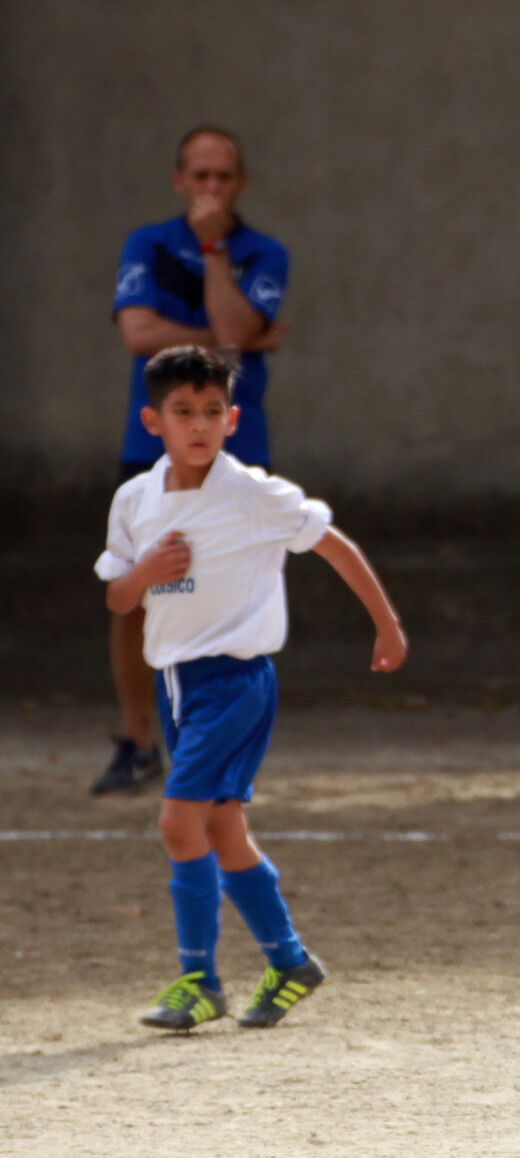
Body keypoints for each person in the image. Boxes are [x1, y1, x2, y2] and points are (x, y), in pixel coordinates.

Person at [95, 346, 404, 1031]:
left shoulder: (253, 494)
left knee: (178, 822)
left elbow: (333, 543)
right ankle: (289, 961)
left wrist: (386, 624)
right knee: (222, 827)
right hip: (175, 683)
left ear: (232, 420)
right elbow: (118, 598)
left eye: (213, 411)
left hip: (235, 682)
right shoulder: (135, 499)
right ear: (153, 420)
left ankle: (199, 981)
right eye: (183, 412)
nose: (199, 425)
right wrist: (145, 573)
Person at [99, 127, 292, 797]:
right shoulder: (147, 245)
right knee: (137, 590)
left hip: (240, 451)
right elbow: (139, 333)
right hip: (149, 453)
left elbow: (236, 333)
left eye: (224, 176)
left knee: (239, 593)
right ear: (178, 178)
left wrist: (213, 252)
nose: (211, 187)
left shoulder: (263, 253)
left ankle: (223, 744)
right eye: (200, 175)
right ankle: (137, 740)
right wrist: (232, 342)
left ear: (241, 184)